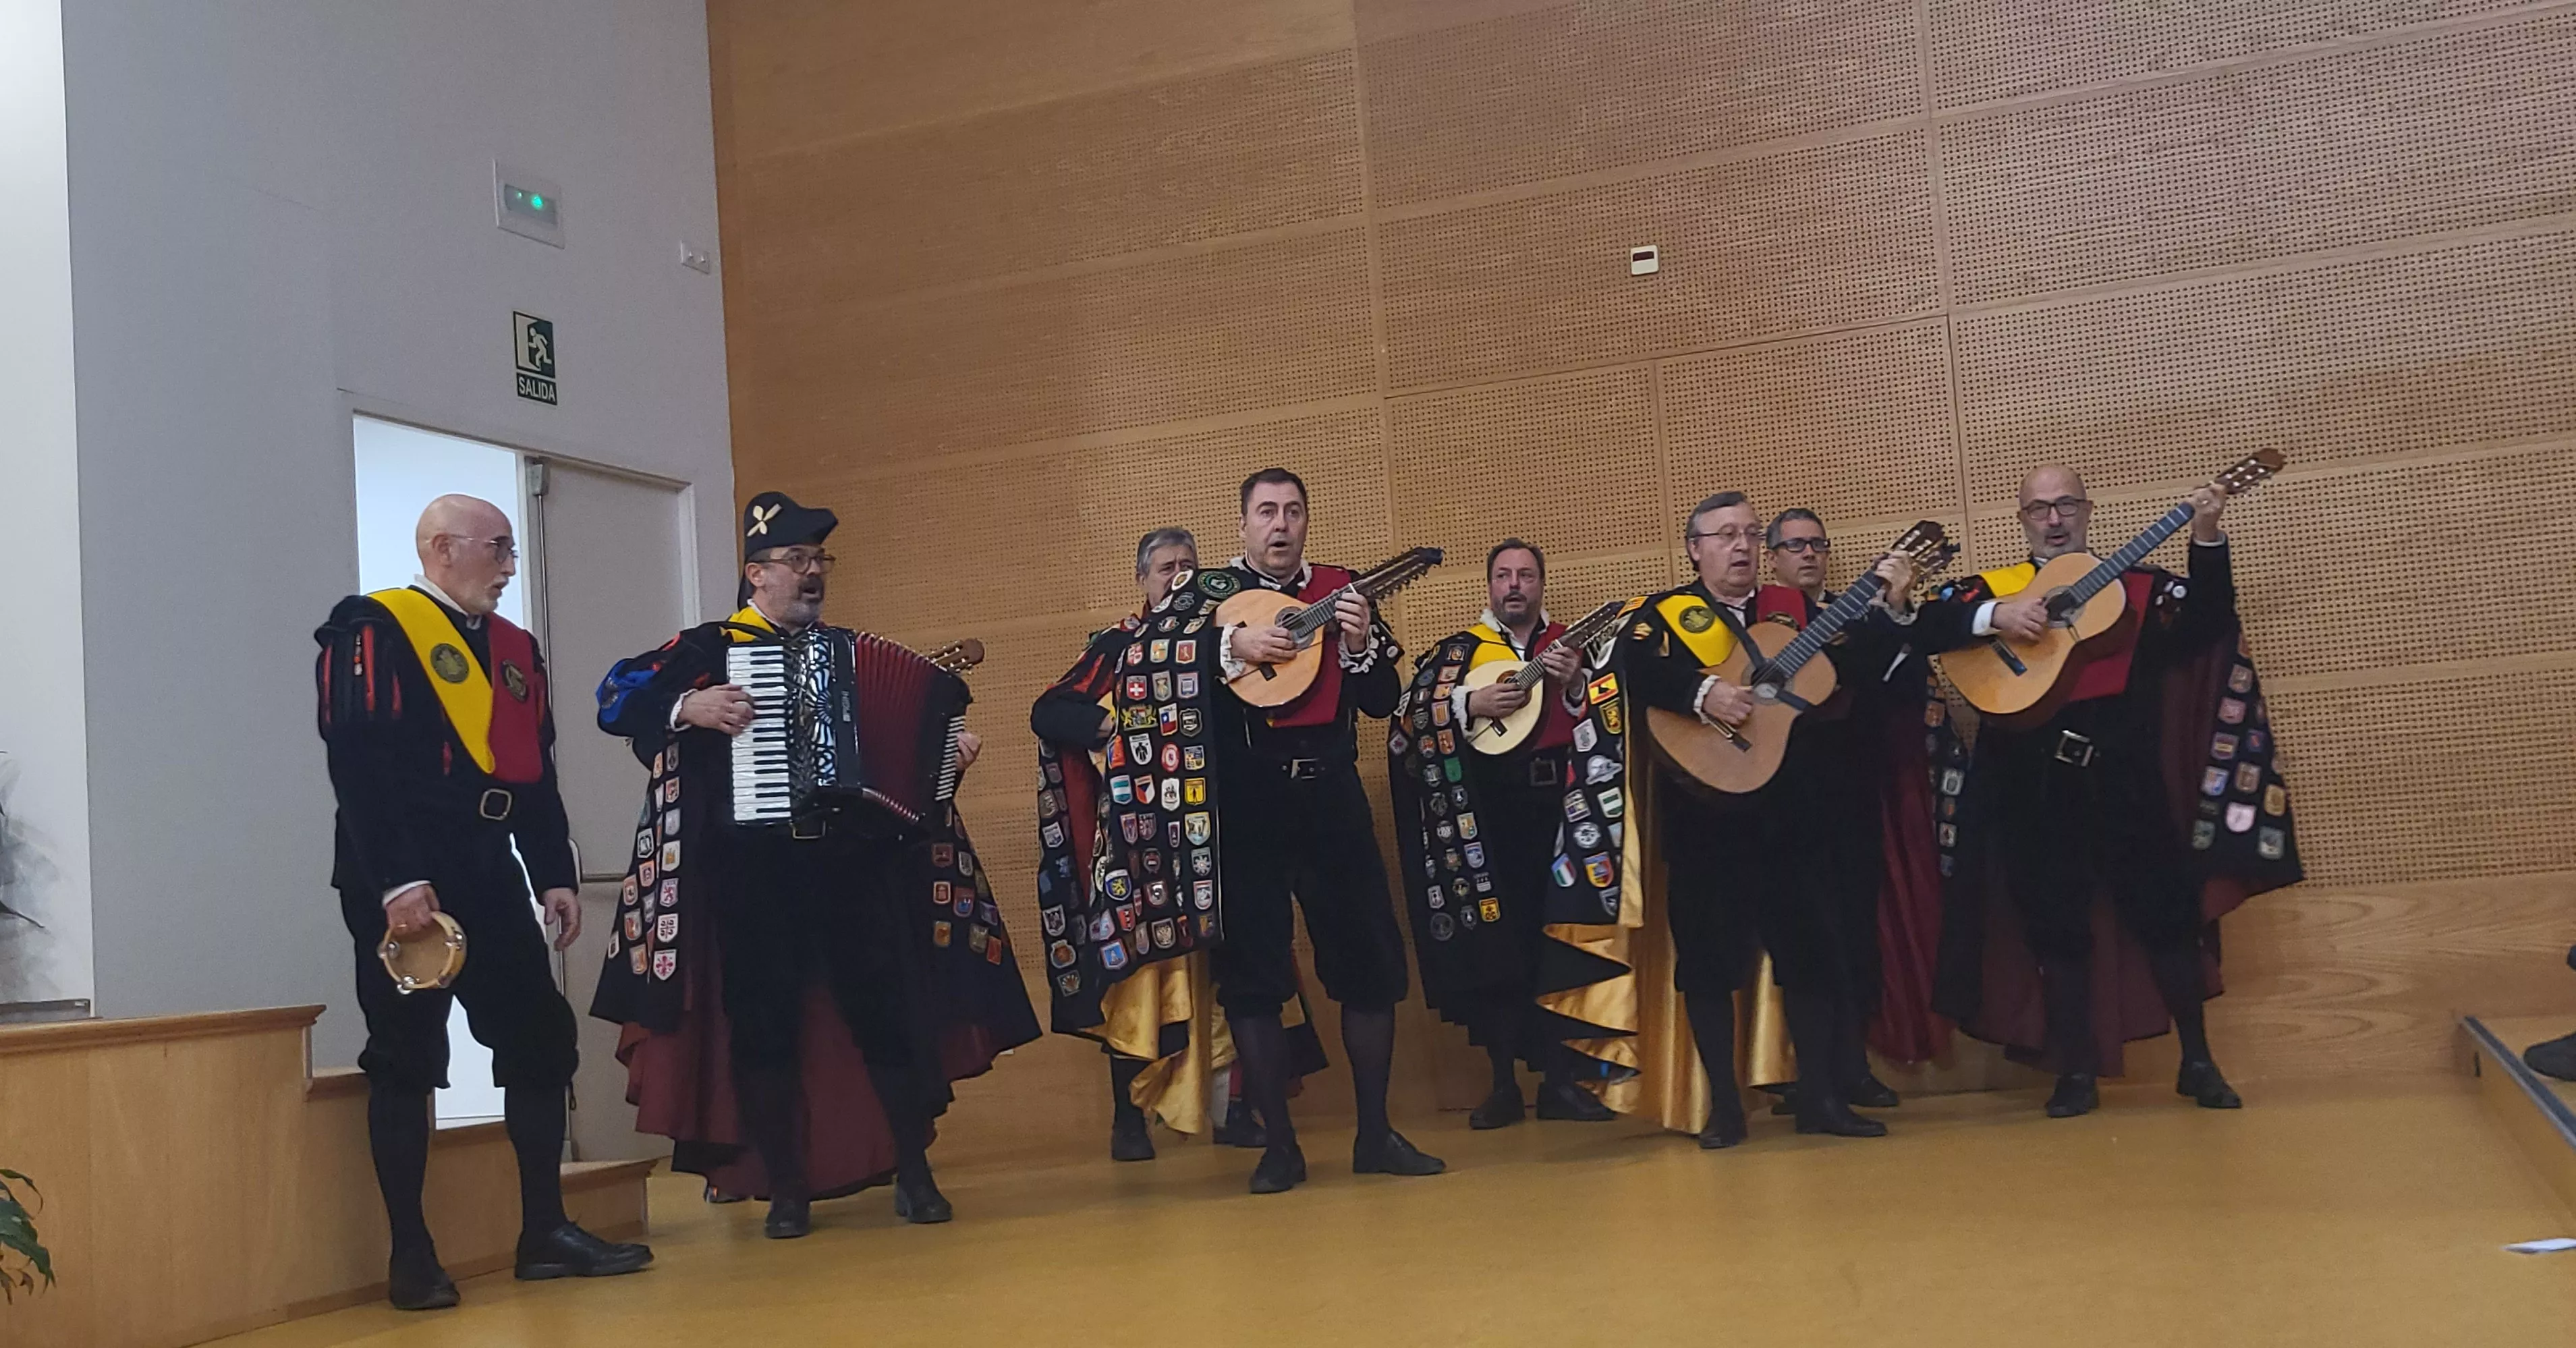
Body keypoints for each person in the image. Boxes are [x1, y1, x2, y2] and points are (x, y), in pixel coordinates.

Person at [589, 492, 1036, 1239]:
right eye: (796, 561)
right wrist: (686, 710)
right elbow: (613, 694)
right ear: (755, 574)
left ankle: (914, 1172)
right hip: (752, 870)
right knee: (763, 1026)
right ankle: (786, 1186)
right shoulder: (707, 649)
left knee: (886, 1015)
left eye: (819, 560)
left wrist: (943, 765)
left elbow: (906, 784)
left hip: (852, 864)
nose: (812, 573)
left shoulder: (848, 652)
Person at [314, 494, 651, 1311]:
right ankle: (412, 1255)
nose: (508, 567)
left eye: (510, 550)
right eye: (496, 549)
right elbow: (357, 766)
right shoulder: (372, 630)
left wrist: (553, 872)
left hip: (486, 866)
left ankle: (544, 1233)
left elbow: (534, 765)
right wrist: (396, 879)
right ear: (439, 548)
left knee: (539, 1037)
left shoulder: (512, 646)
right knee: (408, 1055)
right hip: (398, 875)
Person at [1908, 466, 2301, 1116]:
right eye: (2039, 509)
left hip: (2123, 777)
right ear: (2023, 519)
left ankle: (2198, 1063)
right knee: (2056, 928)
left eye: (2066, 505)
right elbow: (1923, 628)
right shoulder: (1993, 590)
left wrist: (2206, 534)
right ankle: (2076, 1071)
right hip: (2030, 786)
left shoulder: (2137, 588)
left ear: (2088, 510)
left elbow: (2208, 622)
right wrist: (1994, 615)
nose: (2054, 519)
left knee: (2168, 918)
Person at [1615, 491, 1919, 1147]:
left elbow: (1854, 670)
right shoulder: (1665, 613)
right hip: (1703, 813)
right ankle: (1724, 1108)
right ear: (1693, 548)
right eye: (1725, 535)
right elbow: (1630, 667)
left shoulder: (1796, 611)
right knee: (1706, 963)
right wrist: (1701, 691)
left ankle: (1820, 1098)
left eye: (1751, 534)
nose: (1742, 546)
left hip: (1792, 813)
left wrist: (1892, 611)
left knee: (1811, 956)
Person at [1030, 528, 1317, 1160]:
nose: (1178, 577)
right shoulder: (1118, 643)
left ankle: (1234, 1107)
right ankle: (1128, 1117)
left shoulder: (1223, 643)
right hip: (1143, 846)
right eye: (1166, 568)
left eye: (1189, 566)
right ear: (1143, 579)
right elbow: (1048, 710)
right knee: (1138, 976)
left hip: (1220, 840)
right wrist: (1113, 726)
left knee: (1231, 974)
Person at [1206, 468, 1443, 1192]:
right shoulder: (1209, 602)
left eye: (1293, 512)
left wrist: (1364, 642)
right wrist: (1230, 650)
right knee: (1252, 977)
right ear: (1244, 525)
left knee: (1368, 963)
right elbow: (1165, 678)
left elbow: (1383, 700)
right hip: (1245, 808)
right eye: (1266, 512)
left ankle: (1374, 1134)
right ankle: (1279, 1147)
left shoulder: (1343, 590)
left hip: (1331, 799)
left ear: (1307, 522)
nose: (1280, 525)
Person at [1389, 538, 1616, 1129]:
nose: (1515, 585)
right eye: (1504, 576)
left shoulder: (1570, 643)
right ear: (1489, 587)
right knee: (1497, 942)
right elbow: (1410, 718)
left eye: (1526, 575)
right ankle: (1502, 1084)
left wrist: (1574, 686)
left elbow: (1612, 721)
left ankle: (1564, 1081)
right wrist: (1470, 703)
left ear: (1542, 583)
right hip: (1491, 813)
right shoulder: (1461, 653)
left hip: (1566, 808)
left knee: (1563, 939)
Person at [1756, 509, 1945, 1111]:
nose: (1808, 554)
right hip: (1771, 794)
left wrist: (1893, 610)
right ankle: (1797, 1071)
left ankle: (1852, 1065)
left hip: (1848, 790)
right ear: (1773, 557)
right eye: (1794, 545)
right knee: (1791, 943)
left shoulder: (1859, 616)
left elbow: (1902, 690)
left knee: (1854, 932)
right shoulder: (1751, 623)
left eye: (1817, 544)